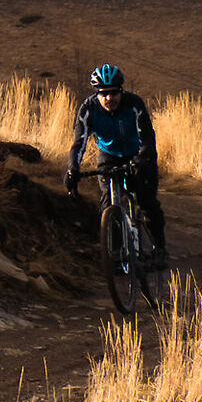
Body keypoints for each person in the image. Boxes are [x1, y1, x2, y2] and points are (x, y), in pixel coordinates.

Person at [65, 64, 168, 259]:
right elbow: (79, 143)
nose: (109, 98)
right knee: (108, 203)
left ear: (121, 91)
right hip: (109, 156)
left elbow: (147, 137)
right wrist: (72, 169)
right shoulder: (88, 109)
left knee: (147, 201)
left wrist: (142, 159)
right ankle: (116, 253)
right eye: (103, 94)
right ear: (97, 93)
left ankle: (159, 249)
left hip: (138, 154)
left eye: (113, 93)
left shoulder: (134, 104)